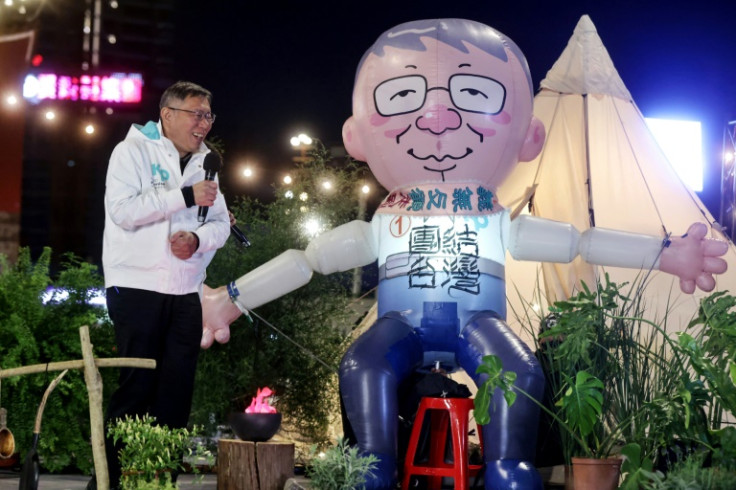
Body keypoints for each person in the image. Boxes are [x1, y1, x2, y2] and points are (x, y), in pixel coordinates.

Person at [199, 19, 727, 489]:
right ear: (356, 136)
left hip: (479, 321)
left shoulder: (494, 217)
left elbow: (580, 241)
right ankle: (371, 466)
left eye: (474, 93)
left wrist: (664, 253)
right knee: (363, 363)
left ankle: (508, 466)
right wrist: (231, 298)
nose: (438, 117)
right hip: (401, 322)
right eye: (402, 96)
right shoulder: (389, 220)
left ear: (528, 136)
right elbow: (308, 260)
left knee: (517, 371)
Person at [100, 80, 230, 489]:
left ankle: (161, 481)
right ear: (168, 114)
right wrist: (185, 197)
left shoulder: (207, 162)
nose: (204, 124)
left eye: (208, 115)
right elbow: (122, 212)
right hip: (135, 288)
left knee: (175, 396)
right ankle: (118, 481)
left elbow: (221, 226)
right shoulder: (131, 151)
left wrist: (197, 241)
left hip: (186, 292)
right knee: (135, 390)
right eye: (196, 113)